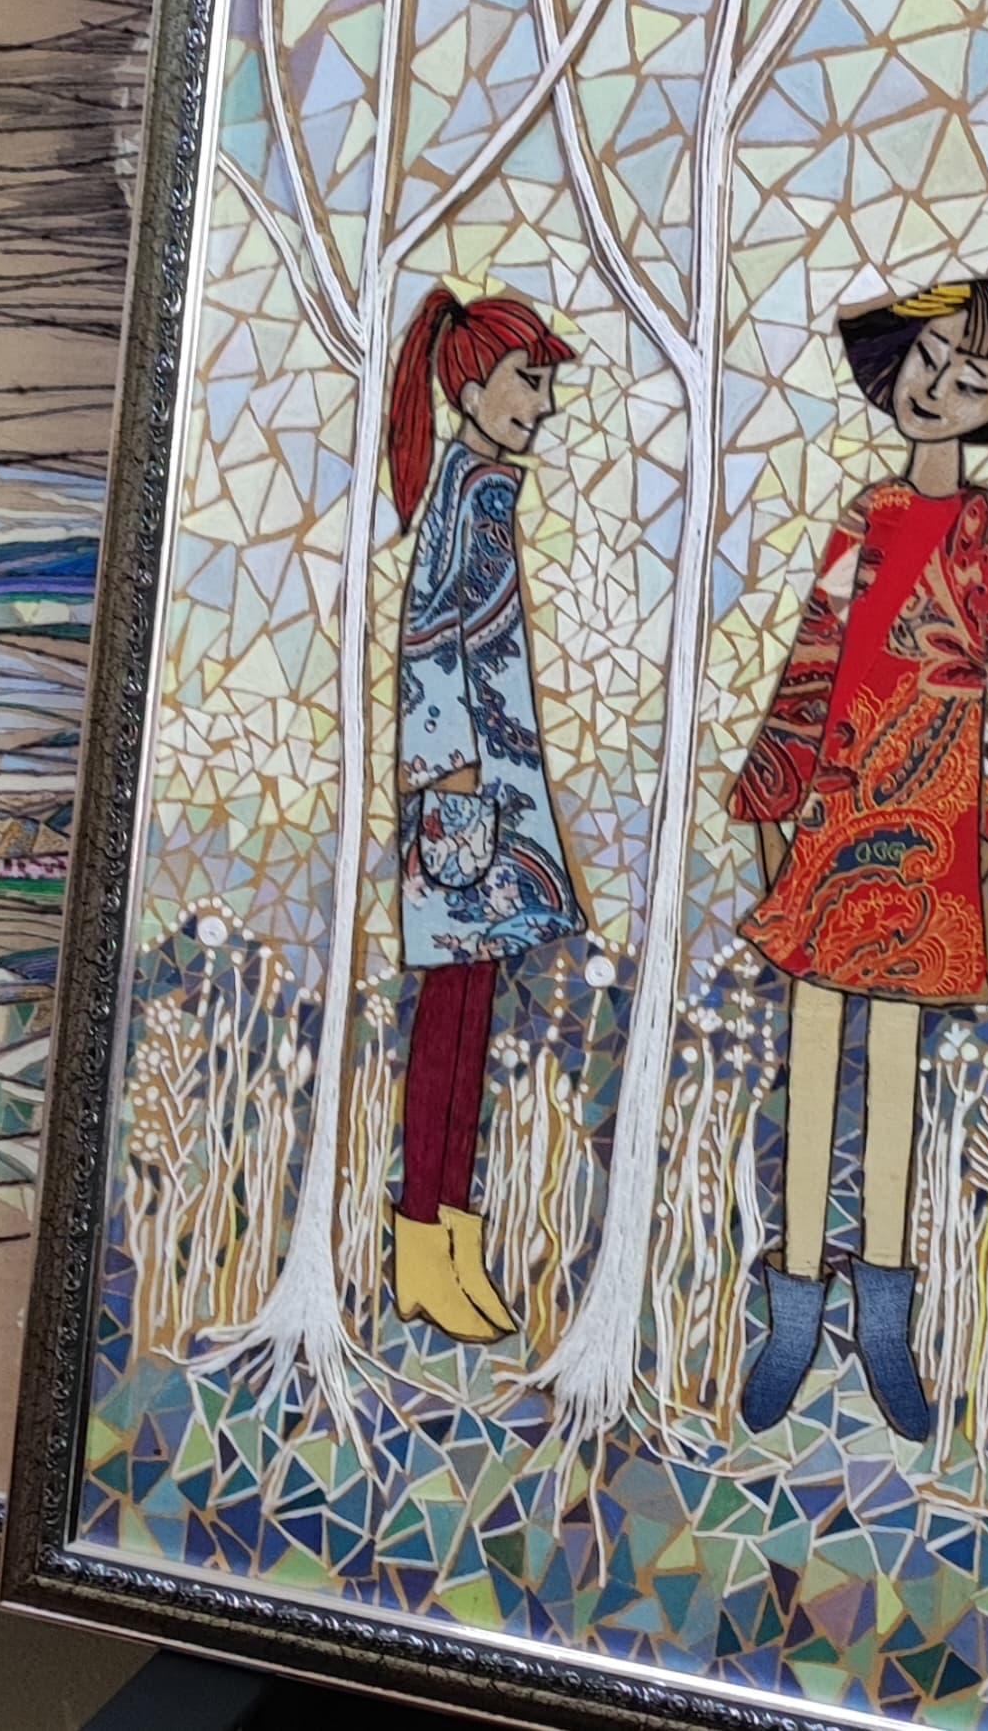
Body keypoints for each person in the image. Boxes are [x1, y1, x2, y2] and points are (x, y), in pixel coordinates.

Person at [730, 277, 988, 1443]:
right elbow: (814, 656)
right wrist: (771, 797)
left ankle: (883, 1319)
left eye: (969, 378)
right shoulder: (864, 519)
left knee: (894, 1076)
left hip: (930, 831)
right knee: (813, 1057)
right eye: (927, 360)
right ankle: (792, 1309)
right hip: (833, 812)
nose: (938, 388)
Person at [382, 284, 583, 1344]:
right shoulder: (465, 498)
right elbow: (430, 642)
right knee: (450, 1021)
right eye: (527, 382)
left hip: (492, 801)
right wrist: (453, 784)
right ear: (470, 389)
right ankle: (422, 1244)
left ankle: (452, 1244)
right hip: (464, 803)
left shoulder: (486, 490)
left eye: (544, 385)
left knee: (472, 1021)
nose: (540, 405)